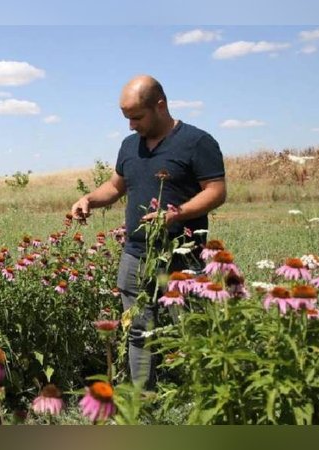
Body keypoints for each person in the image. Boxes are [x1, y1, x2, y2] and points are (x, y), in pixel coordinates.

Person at [71, 74, 226, 389]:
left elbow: (216, 191)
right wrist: (89, 199)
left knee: (191, 331)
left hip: (183, 259)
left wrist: (177, 215)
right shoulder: (130, 146)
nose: (131, 126)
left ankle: (199, 398)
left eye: (137, 117)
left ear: (160, 105)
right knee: (139, 332)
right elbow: (115, 187)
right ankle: (145, 404)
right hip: (135, 255)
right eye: (127, 118)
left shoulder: (197, 142)